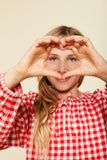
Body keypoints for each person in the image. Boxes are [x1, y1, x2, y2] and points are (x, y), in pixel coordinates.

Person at [0, 25, 107, 160]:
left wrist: (104, 71)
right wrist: (17, 72)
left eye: (72, 59)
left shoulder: (101, 104)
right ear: (42, 61)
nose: (62, 68)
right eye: (53, 58)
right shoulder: (29, 109)